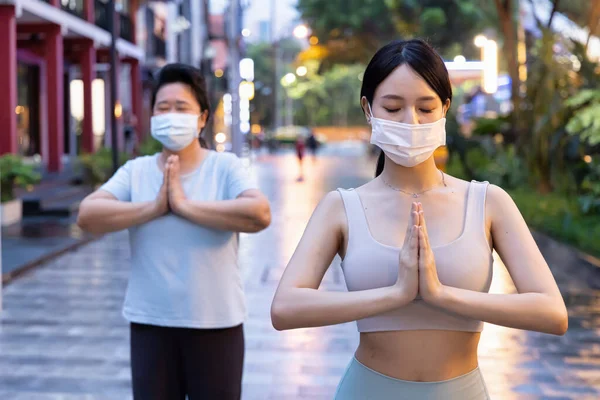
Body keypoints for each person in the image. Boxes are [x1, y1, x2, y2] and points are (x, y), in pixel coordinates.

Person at [270, 39, 567, 400]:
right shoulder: (342, 207)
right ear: (368, 109)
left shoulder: (488, 202)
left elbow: (552, 312)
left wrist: (441, 295)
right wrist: (395, 295)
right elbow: (285, 308)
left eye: (425, 108)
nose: (410, 121)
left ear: (445, 108)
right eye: (393, 108)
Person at [77, 63, 271, 400]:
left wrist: (184, 206)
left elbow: (259, 212)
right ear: (152, 118)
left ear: (202, 118)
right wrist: (153, 208)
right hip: (150, 323)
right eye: (162, 108)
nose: (171, 115)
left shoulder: (224, 168)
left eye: (181, 108)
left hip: (216, 323)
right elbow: (88, 215)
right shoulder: (135, 171)